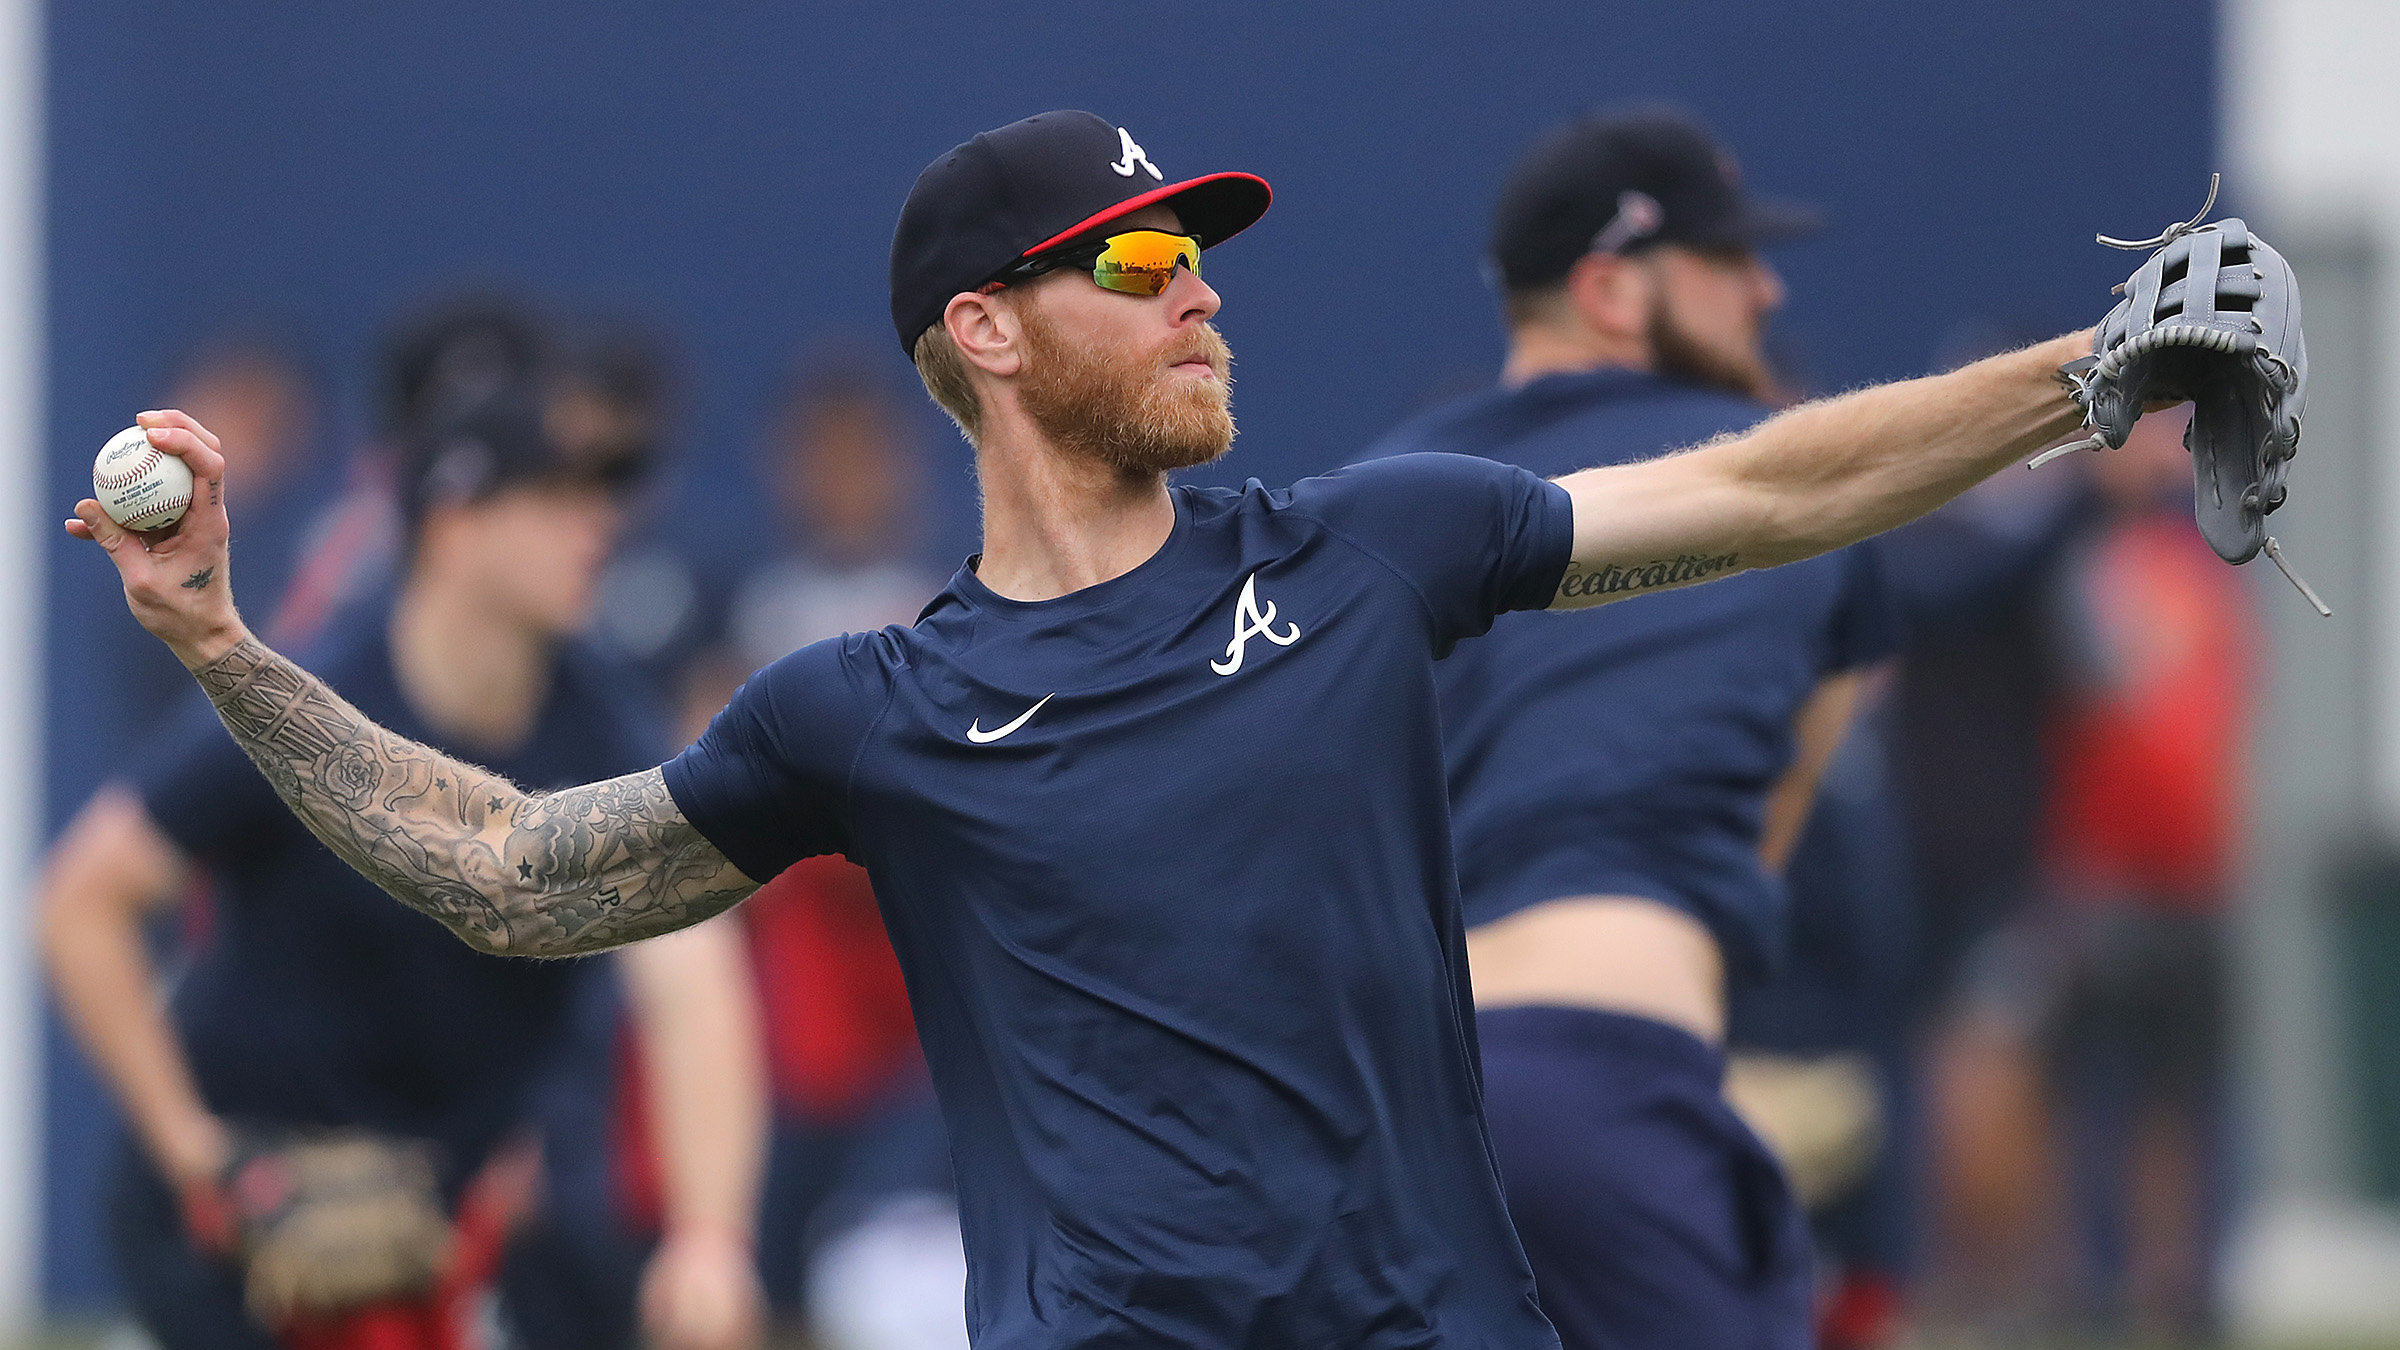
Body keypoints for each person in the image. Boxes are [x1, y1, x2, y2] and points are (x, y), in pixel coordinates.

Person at [73, 110, 2122, 1347]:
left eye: (1203, 260)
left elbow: (1766, 488)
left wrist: (2097, 369)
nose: (1196, 294)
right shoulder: (867, 711)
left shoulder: (1365, 553)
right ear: (985, 330)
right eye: (1139, 262)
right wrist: (224, 649)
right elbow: (511, 874)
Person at [44, 385, 768, 1349]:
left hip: (438, 1224)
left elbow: (693, 984)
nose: (597, 525)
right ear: (454, 519)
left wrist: (710, 1240)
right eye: (556, 498)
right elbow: (79, 904)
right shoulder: (312, 696)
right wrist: (202, 1159)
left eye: (601, 496)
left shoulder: (605, 726)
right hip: (241, 1226)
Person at [1358, 109, 1891, 1350]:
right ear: (1608, 287)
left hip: (1377, 1122)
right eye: (1723, 260)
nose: (1764, 289)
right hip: (1604, 1080)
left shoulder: (1366, 503)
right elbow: (1762, 842)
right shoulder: (1782, 488)